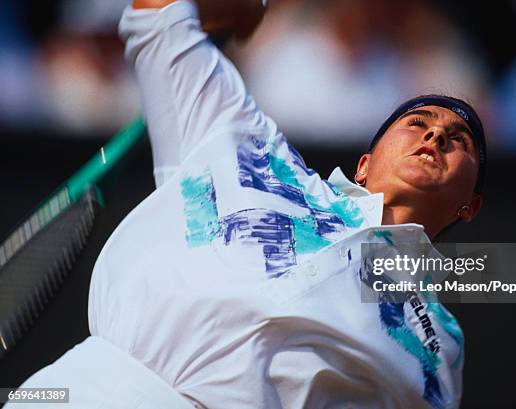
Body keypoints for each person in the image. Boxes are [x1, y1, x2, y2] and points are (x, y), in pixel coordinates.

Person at [8, 0, 486, 408]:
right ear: (363, 164)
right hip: (79, 390)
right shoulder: (248, 145)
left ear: (470, 206)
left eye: (460, 139)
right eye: (416, 120)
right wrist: (228, 6)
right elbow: (157, 11)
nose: (436, 133)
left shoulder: (438, 343)